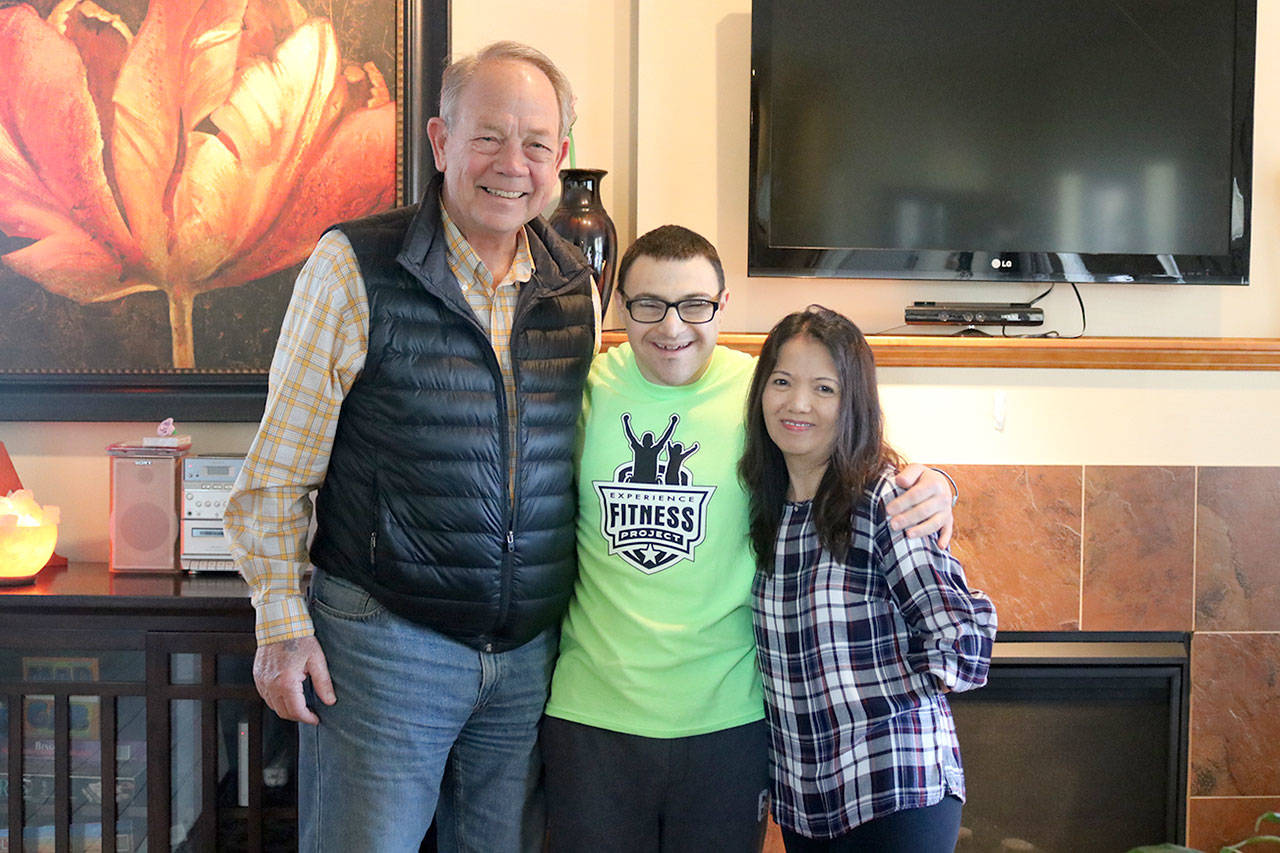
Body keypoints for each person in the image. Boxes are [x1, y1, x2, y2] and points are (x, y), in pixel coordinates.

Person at [223, 41, 598, 852]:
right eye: (488, 137)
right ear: (439, 142)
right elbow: (278, 475)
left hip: (527, 660)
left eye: (537, 143)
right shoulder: (352, 266)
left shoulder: (576, 288)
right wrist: (283, 627)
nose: (513, 164)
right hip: (385, 649)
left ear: (560, 159)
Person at [540, 226, 958, 852]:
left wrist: (941, 484)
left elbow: (854, 457)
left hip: (730, 721)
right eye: (648, 305)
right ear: (618, 304)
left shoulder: (764, 392)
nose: (671, 327)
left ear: (723, 306)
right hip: (591, 715)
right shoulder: (582, 390)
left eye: (694, 306)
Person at [740, 306, 997, 853]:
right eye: (782, 382)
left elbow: (963, 641)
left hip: (894, 789)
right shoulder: (763, 509)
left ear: (852, 401)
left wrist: (886, 702)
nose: (798, 403)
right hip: (808, 801)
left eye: (824, 388)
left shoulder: (883, 499)